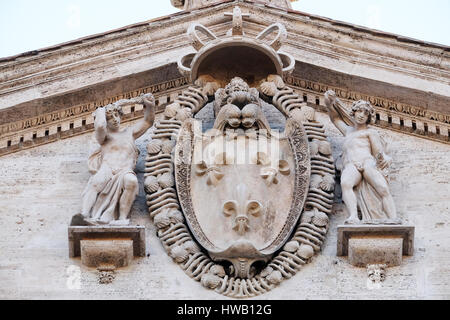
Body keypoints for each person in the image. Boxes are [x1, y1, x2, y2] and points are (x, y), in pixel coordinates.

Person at [73, 93, 155, 226]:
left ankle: (122, 219)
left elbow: (148, 121)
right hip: (107, 169)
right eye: (110, 118)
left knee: (132, 181)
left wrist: (149, 106)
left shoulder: (130, 132)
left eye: (117, 115)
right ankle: (85, 213)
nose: (115, 119)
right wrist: (100, 112)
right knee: (96, 182)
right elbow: (99, 126)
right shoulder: (104, 137)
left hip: (124, 170)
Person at [324, 90, 399, 224]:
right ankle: (353, 216)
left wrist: (383, 157)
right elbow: (335, 119)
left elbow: (377, 151)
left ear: (368, 118)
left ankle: (393, 217)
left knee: (382, 188)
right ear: (354, 112)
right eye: (359, 111)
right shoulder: (348, 131)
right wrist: (329, 104)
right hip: (351, 164)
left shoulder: (370, 132)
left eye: (365, 113)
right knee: (346, 183)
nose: (361, 115)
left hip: (367, 162)